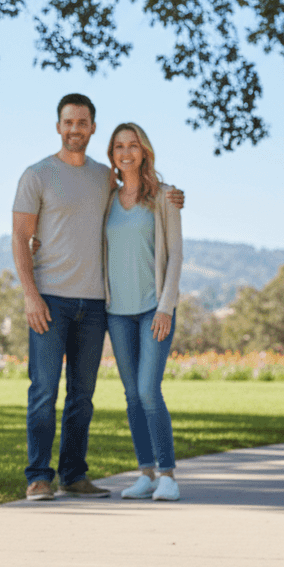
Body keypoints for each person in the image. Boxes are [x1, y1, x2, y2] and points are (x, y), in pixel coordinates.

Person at [11, 94, 183, 501]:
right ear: (58, 126)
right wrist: (30, 295)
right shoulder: (37, 174)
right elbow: (20, 237)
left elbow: (147, 196)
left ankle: (73, 474)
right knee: (43, 392)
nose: (75, 129)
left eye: (83, 123)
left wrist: (175, 197)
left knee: (82, 398)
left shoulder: (105, 177)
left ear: (92, 128)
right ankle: (39, 476)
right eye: (68, 122)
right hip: (50, 299)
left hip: (95, 305)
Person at [104, 123, 183, 501]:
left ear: (144, 151)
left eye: (132, 145)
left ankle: (168, 475)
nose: (126, 152)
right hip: (117, 311)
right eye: (119, 146)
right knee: (132, 395)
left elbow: (177, 255)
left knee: (149, 390)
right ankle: (146, 473)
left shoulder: (166, 197)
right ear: (112, 154)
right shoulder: (108, 199)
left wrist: (166, 306)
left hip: (155, 308)